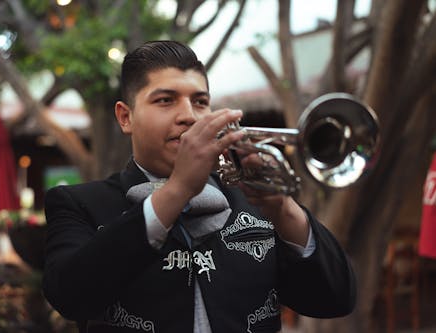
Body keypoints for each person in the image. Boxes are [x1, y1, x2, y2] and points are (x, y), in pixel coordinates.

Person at [43, 40, 356, 333]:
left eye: (200, 102)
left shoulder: (254, 200)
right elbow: (70, 296)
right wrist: (178, 189)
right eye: (165, 101)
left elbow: (335, 299)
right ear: (126, 117)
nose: (189, 116)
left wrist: (284, 209)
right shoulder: (78, 202)